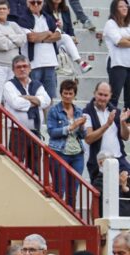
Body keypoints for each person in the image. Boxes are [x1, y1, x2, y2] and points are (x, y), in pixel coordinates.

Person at [2, 55, 50, 173]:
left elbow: (46, 101)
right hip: (18, 133)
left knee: (36, 169)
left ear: (30, 68)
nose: (22, 69)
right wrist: (37, 101)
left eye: (25, 66)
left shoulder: (37, 84)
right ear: (13, 70)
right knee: (16, 168)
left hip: (35, 133)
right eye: (18, 67)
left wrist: (28, 98)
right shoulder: (9, 85)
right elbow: (16, 103)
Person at [83, 81, 130, 191]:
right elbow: (88, 138)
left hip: (119, 159)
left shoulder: (116, 112)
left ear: (110, 96)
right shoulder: (87, 112)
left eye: (105, 95)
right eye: (100, 94)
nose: (102, 98)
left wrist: (123, 123)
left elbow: (125, 137)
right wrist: (107, 124)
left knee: (125, 195)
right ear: (94, 93)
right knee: (101, 198)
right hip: (99, 163)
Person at [47, 79, 87, 207]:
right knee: (59, 188)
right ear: (61, 93)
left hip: (77, 154)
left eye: (70, 93)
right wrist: (71, 126)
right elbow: (52, 132)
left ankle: (71, 219)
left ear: (75, 95)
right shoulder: (54, 110)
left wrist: (81, 127)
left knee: (73, 191)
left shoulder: (79, 111)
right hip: (60, 152)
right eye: (65, 93)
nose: (68, 96)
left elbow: (83, 136)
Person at [15, 0, 60, 100]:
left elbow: (58, 35)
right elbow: (31, 38)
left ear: (43, 3)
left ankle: (48, 116)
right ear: (27, 3)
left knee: (49, 97)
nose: (35, 4)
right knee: (34, 95)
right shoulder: (23, 18)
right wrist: (48, 33)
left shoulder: (48, 17)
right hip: (33, 64)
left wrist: (40, 36)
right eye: (32, 2)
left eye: (38, 2)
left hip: (50, 62)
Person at [0, 0, 28, 101]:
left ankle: (8, 118)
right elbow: (1, 45)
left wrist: (8, 36)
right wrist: (15, 42)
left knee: (11, 98)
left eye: (4, 9)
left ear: (8, 11)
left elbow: (23, 39)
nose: (2, 11)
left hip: (13, 67)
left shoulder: (13, 24)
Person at [45, 0, 91, 75]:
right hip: (50, 40)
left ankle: (66, 68)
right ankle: (80, 63)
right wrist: (56, 26)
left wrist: (73, 37)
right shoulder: (44, 9)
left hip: (62, 40)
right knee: (66, 38)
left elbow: (70, 27)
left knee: (66, 43)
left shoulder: (65, 10)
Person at [104, 0, 130, 112]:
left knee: (129, 100)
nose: (125, 8)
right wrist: (124, 39)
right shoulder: (110, 23)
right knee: (113, 98)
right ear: (115, 9)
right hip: (117, 64)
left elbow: (123, 40)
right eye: (121, 6)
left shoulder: (128, 24)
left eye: (126, 6)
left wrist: (125, 39)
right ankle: (109, 123)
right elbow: (119, 42)